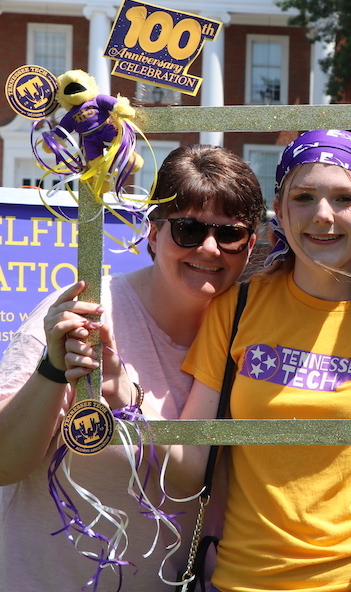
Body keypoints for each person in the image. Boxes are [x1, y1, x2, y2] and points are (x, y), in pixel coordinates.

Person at [69, 129, 351, 592]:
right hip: (247, 580)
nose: (322, 215)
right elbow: (190, 466)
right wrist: (127, 397)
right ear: (282, 213)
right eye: (304, 197)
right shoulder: (237, 307)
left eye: (344, 198)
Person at [0, 143, 264, 591]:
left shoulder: (251, 332)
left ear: (251, 244)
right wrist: (52, 369)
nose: (209, 248)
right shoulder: (91, 316)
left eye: (230, 235)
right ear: (153, 234)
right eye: (187, 229)